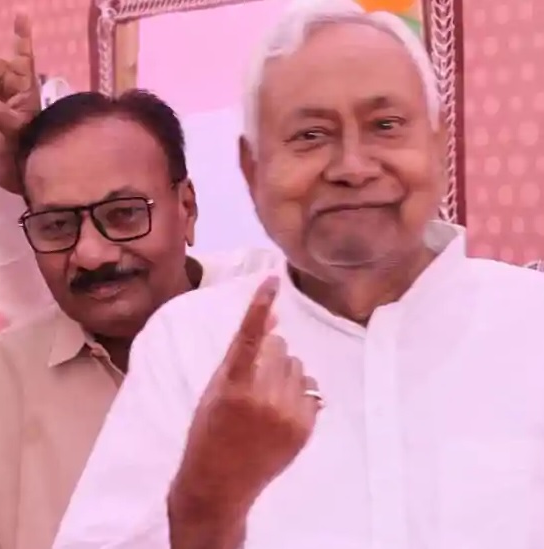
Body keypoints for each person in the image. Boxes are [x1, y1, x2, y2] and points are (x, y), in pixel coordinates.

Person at [52, 1, 544, 548]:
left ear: (436, 145)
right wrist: (207, 502)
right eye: (310, 135)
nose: (352, 168)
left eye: (385, 126)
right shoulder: (188, 347)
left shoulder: (531, 323)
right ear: (251, 169)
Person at [0, 15, 279, 549]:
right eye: (57, 225)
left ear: (186, 208)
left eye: (122, 214)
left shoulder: (274, 346)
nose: (91, 253)